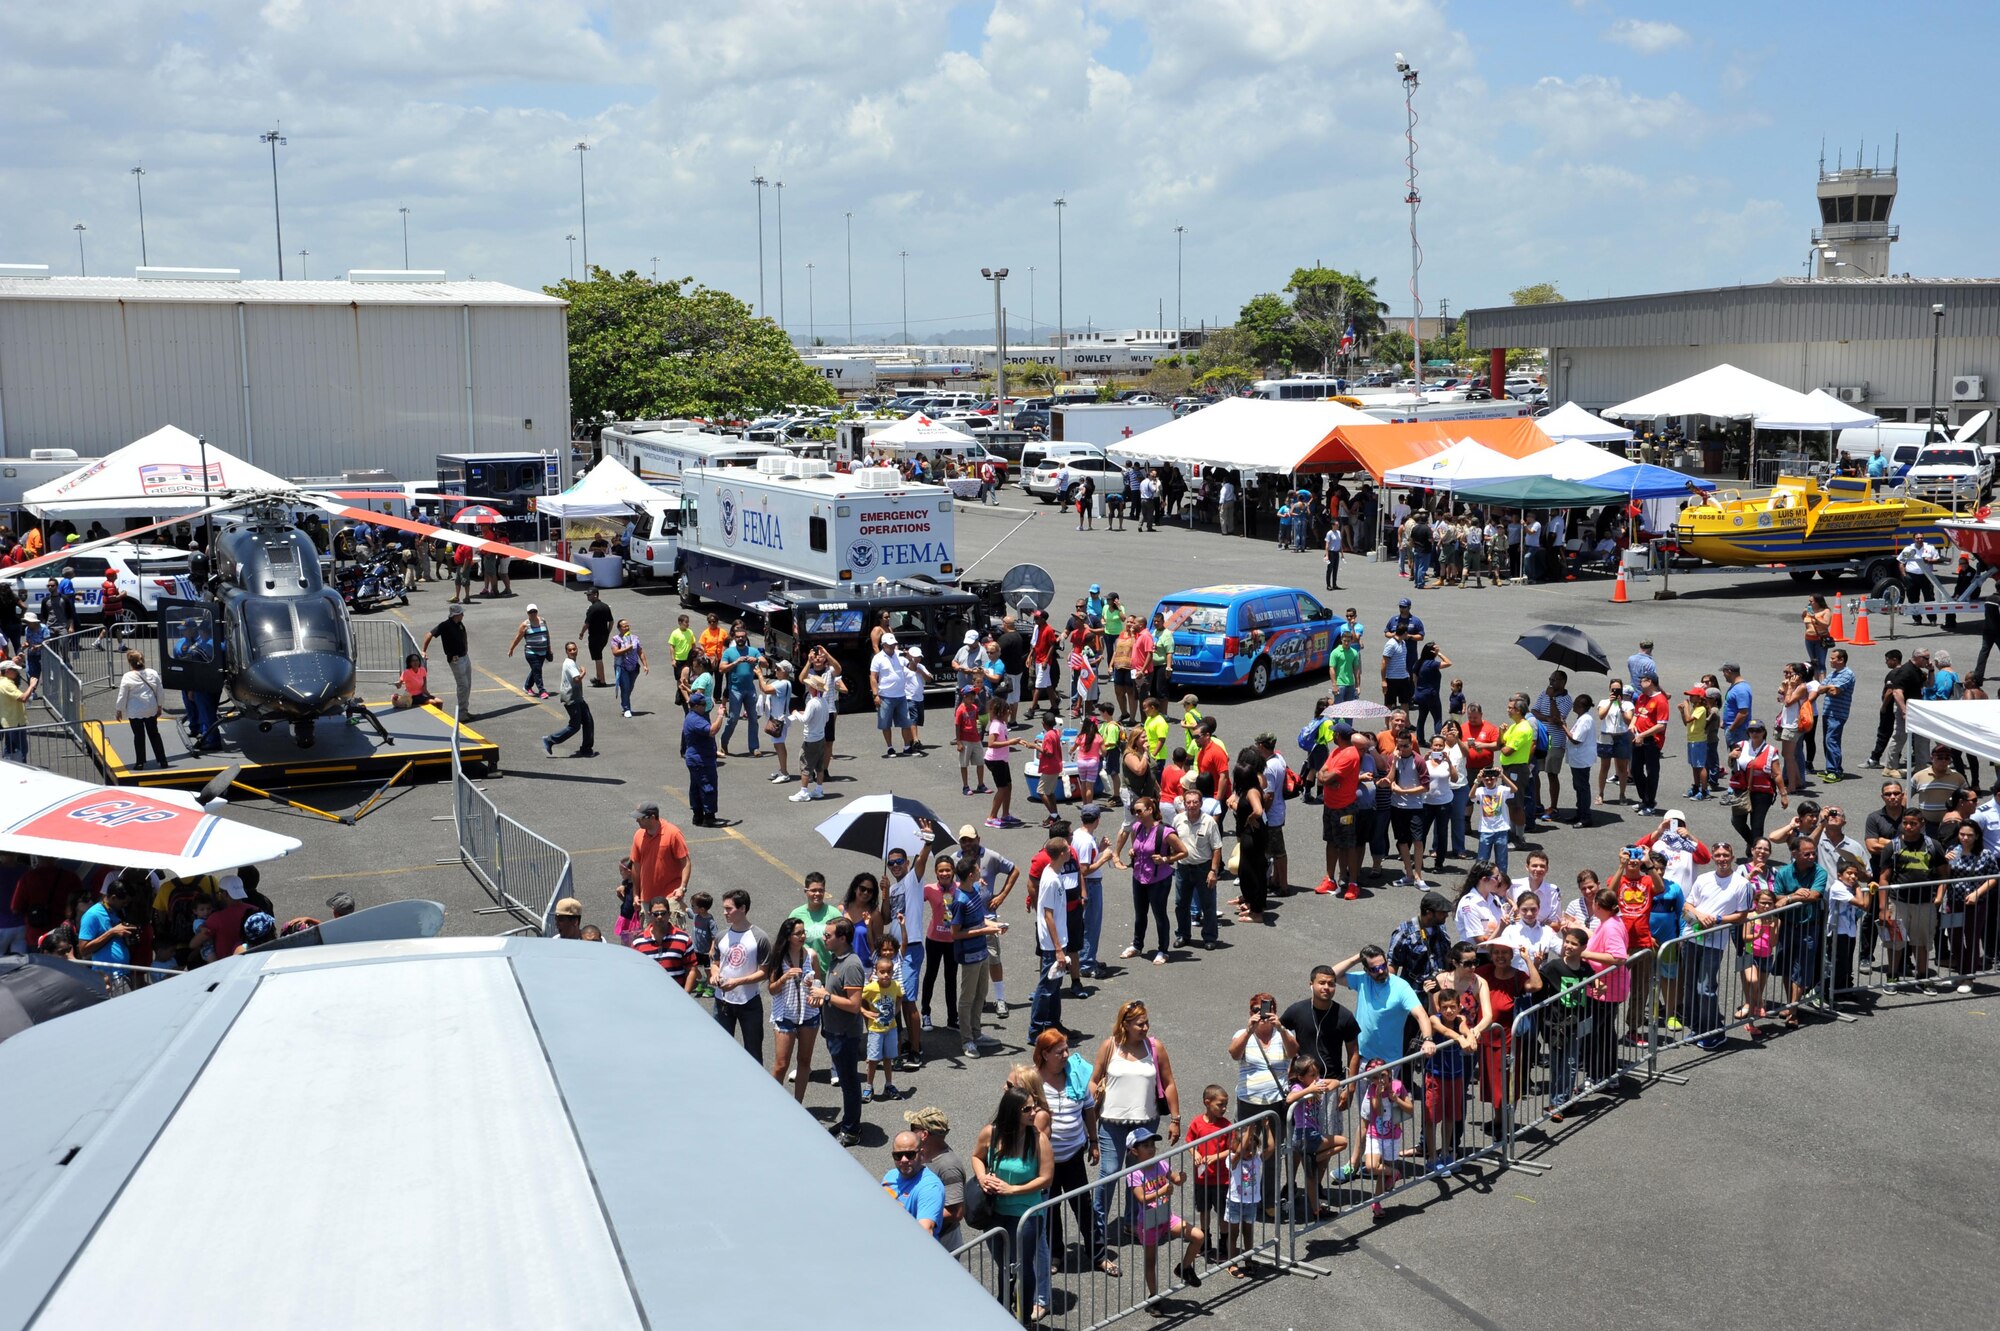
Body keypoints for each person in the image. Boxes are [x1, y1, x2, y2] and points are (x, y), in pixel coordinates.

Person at [1089, 999, 1182, 1240]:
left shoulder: (1155, 1047)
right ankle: (1097, 1227)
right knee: (1109, 1172)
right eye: (1140, 1024)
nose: (1145, 1028)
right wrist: (1090, 1105)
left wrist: (1175, 1118)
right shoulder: (1109, 1046)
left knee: (1138, 1173)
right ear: (1125, 1024)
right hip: (1112, 1124)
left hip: (1145, 1124)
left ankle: (1132, 1221)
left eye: (1147, 1023)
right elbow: (1094, 1078)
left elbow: (1169, 1082)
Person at [971, 1084, 1054, 1320]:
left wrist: (1013, 1189)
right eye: (1027, 1109)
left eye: (1034, 1107)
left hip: (1026, 1214)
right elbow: (977, 1156)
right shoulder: (991, 1133)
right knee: (1005, 1266)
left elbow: (1046, 1178)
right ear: (1012, 1111)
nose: (1033, 1112)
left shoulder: (1038, 1140)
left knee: (1023, 1265)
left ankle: (1023, 1317)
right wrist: (982, 1176)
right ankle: (1004, 1309)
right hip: (995, 1212)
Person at [1681, 842, 1750, 1046]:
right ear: (1713, 857)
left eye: (1726, 855)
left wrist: (1718, 919)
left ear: (1732, 856)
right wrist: (1700, 915)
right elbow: (1688, 904)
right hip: (1691, 936)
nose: (1722, 859)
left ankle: (1714, 1031)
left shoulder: (1742, 884)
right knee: (1690, 985)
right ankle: (1697, 1027)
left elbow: (1742, 915)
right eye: (1718, 855)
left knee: (1706, 987)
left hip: (1715, 942)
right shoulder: (1703, 879)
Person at [1875, 809, 1946, 993]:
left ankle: (1922, 977)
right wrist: (1883, 908)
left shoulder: (1933, 845)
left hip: (1925, 902)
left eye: (1913, 823)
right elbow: (1884, 878)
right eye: (1905, 822)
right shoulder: (1893, 846)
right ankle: (1892, 976)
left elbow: (1944, 874)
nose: (1908, 826)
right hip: (1898, 901)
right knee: (1895, 942)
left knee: (1921, 942)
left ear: (1922, 824)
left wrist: (1939, 896)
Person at [1336, 945, 1437, 1069]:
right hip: (1362, 1058)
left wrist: (1427, 1039)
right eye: (1374, 969)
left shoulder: (1401, 987)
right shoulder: (1362, 979)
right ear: (1366, 970)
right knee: (1358, 1089)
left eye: (1383, 966)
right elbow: (1333, 975)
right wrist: (1356, 958)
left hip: (1389, 1063)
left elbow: (1421, 1014)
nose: (1380, 971)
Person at [813, 917, 867, 1145]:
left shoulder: (851, 964)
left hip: (845, 1034)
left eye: (828, 935)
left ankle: (852, 1130)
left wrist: (825, 996)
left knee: (849, 1082)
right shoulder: (836, 960)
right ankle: (847, 1121)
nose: (824, 938)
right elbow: (838, 995)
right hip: (834, 1031)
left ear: (842, 938)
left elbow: (854, 1005)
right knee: (846, 1081)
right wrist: (822, 993)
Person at [766, 915, 821, 1102]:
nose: (802, 936)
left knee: (804, 1061)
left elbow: (819, 984)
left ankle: (798, 1103)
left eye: (803, 932)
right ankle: (774, 1101)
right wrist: (785, 977)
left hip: (809, 1015)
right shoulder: (779, 956)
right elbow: (772, 989)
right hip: (785, 1015)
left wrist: (815, 990)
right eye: (798, 933)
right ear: (789, 936)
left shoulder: (811, 955)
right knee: (781, 1064)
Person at [1030, 836, 1075, 1041]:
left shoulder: (1054, 874)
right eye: (1068, 847)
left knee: (1055, 987)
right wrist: (1057, 947)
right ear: (1063, 853)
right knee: (1047, 988)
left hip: (1058, 941)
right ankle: (1036, 1030)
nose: (1070, 849)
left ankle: (1053, 1025)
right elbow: (1048, 915)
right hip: (1051, 944)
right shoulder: (1050, 880)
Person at [906, 1107, 969, 1250]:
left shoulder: (948, 1166)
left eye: (913, 1128)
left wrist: (918, 1216)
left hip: (943, 1241)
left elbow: (956, 1212)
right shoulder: (923, 1154)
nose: (910, 1132)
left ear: (924, 1134)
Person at [1729, 721, 1787, 850]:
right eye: (1751, 730)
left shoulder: (1771, 751)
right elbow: (1733, 766)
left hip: (1763, 794)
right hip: (1742, 791)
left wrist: (1784, 795)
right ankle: (1754, 844)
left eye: (1758, 730)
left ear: (1763, 732)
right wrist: (1731, 756)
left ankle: (1756, 855)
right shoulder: (1741, 745)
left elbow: (1777, 774)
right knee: (1737, 821)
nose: (1754, 733)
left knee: (1757, 825)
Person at [882, 1130, 947, 1239]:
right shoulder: (890, 1176)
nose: (903, 1160)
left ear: (921, 1154)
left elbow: (925, 1233)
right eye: (898, 1155)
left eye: (910, 1155)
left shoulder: (930, 1188)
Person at [113, 648, 169, 770]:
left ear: (130, 662)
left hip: (135, 710)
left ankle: (140, 762)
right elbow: (160, 691)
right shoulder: (153, 673)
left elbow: (123, 695)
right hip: (151, 708)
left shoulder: (127, 676)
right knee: (154, 734)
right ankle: (162, 760)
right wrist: (160, 706)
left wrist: (119, 709)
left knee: (138, 736)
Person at [541, 642, 597, 757]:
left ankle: (586, 749)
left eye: (574, 649)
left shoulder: (571, 662)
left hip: (578, 698)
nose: (572, 651)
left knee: (588, 722)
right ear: (566, 652)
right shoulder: (570, 663)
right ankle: (550, 740)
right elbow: (577, 679)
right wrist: (583, 673)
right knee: (574, 726)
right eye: (570, 650)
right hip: (571, 698)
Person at [420, 603, 473, 719]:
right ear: (456, 615)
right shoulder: (445, 626)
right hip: (456, 659)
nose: (463, 615)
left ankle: (464, 710)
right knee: (463, 685)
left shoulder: (459, 624)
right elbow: (429, 634)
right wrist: (423, 650)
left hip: (464, 656)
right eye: (461, 613)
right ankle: (461, 714)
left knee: (468, 684)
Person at [682, 691, 721, 825]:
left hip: (696, 757)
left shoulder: (691, 717)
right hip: (701, 759)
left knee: (696, 787)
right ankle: (709, 817)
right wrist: (720, 716)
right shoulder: (696, 720)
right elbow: (712, 731)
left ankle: (697, 816)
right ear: (696, 706)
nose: (705, 707)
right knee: (708, 786)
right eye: (703, 704)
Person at [505, 604, 554, 699]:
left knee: (536, 670)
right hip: (531, 652)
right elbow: (518, 638)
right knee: (537, 670)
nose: (533, 613)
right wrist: (511, 648)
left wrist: (549, 648)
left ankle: (527, 686)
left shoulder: (543, 621)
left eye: (534, 611)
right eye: (530, 612)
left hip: (543, 652)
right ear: (527, 613)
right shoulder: (525, 624)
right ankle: (542, 690)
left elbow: (547, 635)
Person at [580, 588, 615, 688]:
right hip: (604, 636)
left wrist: (581, 633)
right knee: (597, 657)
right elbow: (611, 621)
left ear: (596, 595)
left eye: (589, 595)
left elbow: (587, 624)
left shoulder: (592, 609)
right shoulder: (605, 606)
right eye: (587, 595)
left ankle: (602, 680)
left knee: (598, 658)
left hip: (595, 636)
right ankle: (598, 677)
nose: (588, 597)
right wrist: (608, 632)